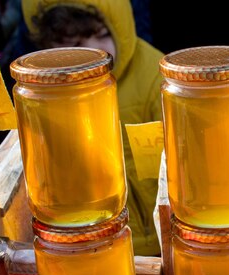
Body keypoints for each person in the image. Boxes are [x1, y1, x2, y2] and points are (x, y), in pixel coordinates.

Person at [20, 0, 165, 256]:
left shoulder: (155, 76)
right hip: (84, 239)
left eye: (102, 35)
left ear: (120, 28)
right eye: (75, 44)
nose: (94, 51)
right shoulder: (40, 92)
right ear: (48, 46)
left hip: (153, 239)